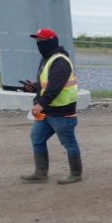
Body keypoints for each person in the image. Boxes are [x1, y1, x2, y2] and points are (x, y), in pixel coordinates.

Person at [20, 28, 82, 184]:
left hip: (62, 112)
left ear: (51, 42)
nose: (39, 44)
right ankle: (40, 173)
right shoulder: (47, 59)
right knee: (37, 138)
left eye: (42, 41)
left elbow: (55, 87)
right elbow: (47, 83)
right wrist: (35, 88)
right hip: (48, 112)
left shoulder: (60, 61)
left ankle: (76, 174)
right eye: (38, 41)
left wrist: (40, 104)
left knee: (68, 142)